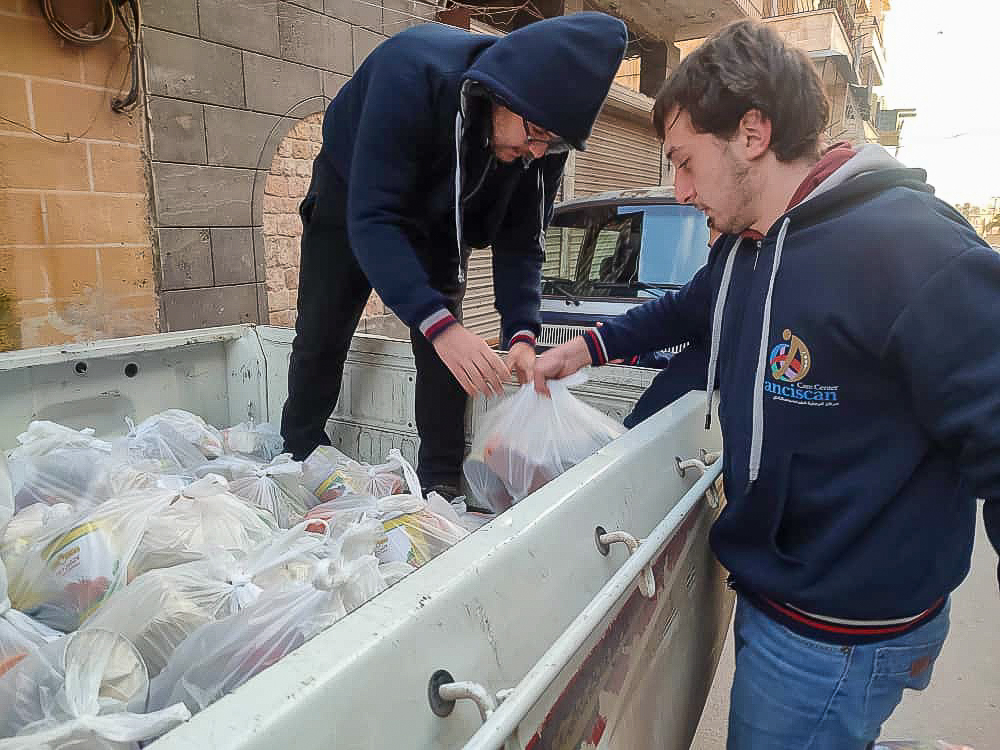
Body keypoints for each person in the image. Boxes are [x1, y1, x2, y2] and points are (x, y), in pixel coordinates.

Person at [533, 19, 1000, 750]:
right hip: (780, 595)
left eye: (686, 163)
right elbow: (692, 307)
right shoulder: (751, 245)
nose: (680, 191)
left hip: (835, 631)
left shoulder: (912, 247)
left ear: (752, 132)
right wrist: (588, 346)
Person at [280, 14, 627, 497]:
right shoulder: (411, 71)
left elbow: (522, 242)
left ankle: (440, 484)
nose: (535, 150)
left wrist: (522, 334)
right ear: (502, 96)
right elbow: (373, 219)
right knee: (323, 328)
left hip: (444, 217)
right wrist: (438, 325)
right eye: (534, 134)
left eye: (551, 143)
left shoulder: (540, 140)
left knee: (447, 355)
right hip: (353, 198)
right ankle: (298, 453)